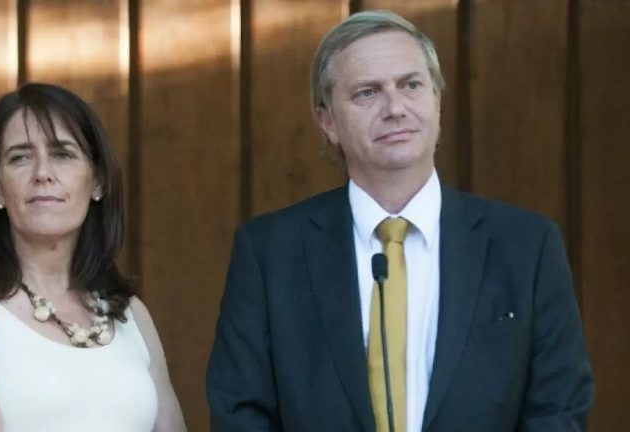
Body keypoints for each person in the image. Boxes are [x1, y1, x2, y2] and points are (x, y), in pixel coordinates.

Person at [207, 10, 593, 432]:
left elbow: (558, 410)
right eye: (368, 92)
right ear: (328, 121)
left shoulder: (526, 246)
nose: (395, 108)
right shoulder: (269, 254)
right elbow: (240, 412)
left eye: (411, 85)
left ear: (437, 101)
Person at [0, 83, 186, 431]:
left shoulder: (131, 315)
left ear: (97, 182)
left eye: (63, 154)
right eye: (20, 157)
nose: (42, 173)